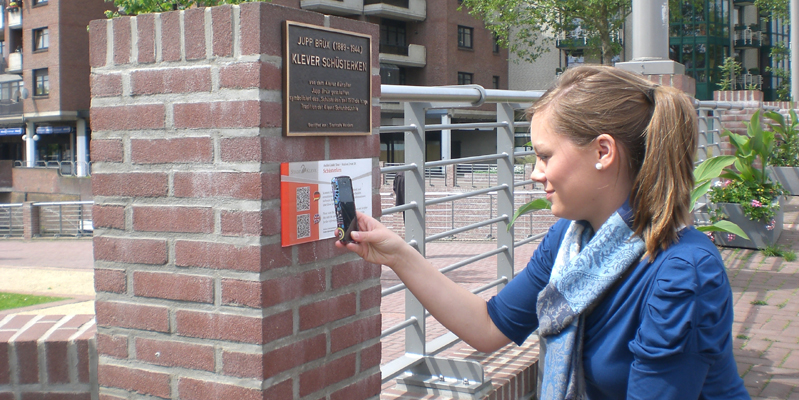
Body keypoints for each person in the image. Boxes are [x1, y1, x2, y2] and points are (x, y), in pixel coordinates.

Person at [336, 65, 750, 400]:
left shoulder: (684, 274)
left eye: (544, 155)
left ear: (603, 152)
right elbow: (487, 326)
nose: (535, 174)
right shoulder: (571, 242)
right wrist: (396, 255)